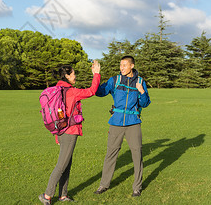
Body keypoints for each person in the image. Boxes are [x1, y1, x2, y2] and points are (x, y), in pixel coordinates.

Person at [39, 61, 101, 205]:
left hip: (61, 131)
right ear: (66, 75)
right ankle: (47, 195)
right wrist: (96, 74)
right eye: (73, 74)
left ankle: (63, 195)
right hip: (70, 131)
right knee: (62, 165)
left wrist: (57, 134)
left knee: (67, 163)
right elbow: (91, 91)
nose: (75, 76)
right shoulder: (72, 91)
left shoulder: (57, 90)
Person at [93, 55, 151, 197]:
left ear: (132, 66)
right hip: (116, 122)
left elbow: (145, 103)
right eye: (120, 65)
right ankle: (104, 185)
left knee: (137, 154)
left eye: (124, 65)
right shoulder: (115, 80)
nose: (122, 68)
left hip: (133, 123)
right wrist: (96, 75)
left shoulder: (140, 81)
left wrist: (141, 91)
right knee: (111, 154)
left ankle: (137, 187)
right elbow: (99, 92)